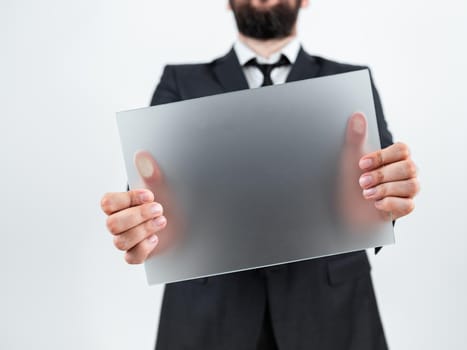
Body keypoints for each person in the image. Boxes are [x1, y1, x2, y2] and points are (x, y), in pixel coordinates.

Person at [100, 1, 420, 349]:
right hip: (210, 319)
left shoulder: (351, 81)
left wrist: (386, 198)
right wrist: (141, 222)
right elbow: (148, 185)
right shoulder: (179, 82)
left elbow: (382, 186)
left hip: (329, 316)